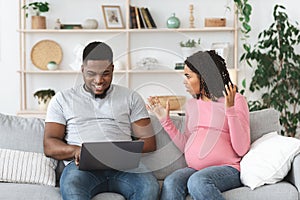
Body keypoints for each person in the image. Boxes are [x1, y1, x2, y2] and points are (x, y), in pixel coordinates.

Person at [43, 41, 159, 200]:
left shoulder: (130, 97)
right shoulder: (62, 99)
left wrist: (120, 151)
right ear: (82, 70)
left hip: (124, 167)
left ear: (112, 69)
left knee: (149, 187)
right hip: (81, 169)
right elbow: (49, 145)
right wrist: (76, 151)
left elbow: (149, 141)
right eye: (91, 73)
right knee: (71, 188)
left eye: (105, 73)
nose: (99, 80)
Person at [147, 50, 250, 200]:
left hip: (227, 169)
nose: (184, 81)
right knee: (171, 182)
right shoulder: (192, 105)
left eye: (188, 76)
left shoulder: (235, 100)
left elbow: (241, 149)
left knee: (198, 181)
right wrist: (165, 121)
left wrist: (230, 110)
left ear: (204, 77)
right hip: (195, 169)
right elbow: (187, 145)